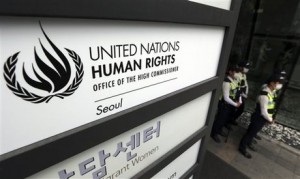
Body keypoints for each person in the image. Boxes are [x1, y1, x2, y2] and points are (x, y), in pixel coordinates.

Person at [239, 75, 284, 159]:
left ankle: (248, 143)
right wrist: (270, 119)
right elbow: (263, 111)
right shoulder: (264, 94)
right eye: (277, 83)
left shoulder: (271, 92)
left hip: (262, 118)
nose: (279, 85)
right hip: (259, 117)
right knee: (250, 133)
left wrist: (271, 116)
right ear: (271, 83)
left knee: (252, 132)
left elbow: (270, 106)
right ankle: (242, 148)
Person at [211, 66, 242, 143]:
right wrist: (235, 104)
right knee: (220, 119)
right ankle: (214, 133)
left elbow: (238, 91)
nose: (237, 74)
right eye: (235, 72)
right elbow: (226, 97)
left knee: (225, 119)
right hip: (224, 104)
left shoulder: (235, 80)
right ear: (230, 72)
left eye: (238, 72)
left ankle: (219, 130)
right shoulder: (226, 82)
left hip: (231, 104)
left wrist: (240, 101)